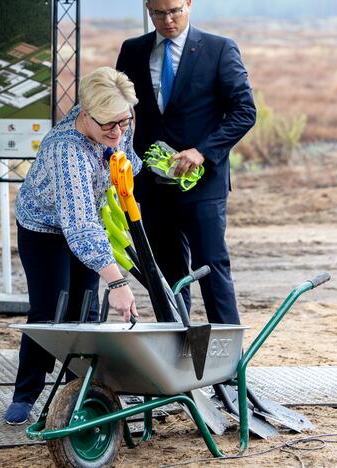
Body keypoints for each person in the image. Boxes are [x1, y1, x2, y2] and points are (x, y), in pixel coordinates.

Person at [4, 67, 141, 425]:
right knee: (49, 311)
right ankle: (26, 393)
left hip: (87, 219)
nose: (118, 131)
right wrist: (118, 282)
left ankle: (76, 392)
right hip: (44, 227)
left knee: (86, 310)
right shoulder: (67, 149)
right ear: (85, 113)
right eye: (109, 125)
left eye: (124, 123)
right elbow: (78, 227)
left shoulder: (117, 119)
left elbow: (125, 158)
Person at [116, 0, 256, 326]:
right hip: (152, 187)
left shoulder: (219, 49)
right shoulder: (133, 51)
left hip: (202, 185)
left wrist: (202, 151)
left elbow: (245, 112)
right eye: (158, 13)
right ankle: (177, 353)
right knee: (166, 276)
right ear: (147, 8)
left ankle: (230, 366)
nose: (168, 20)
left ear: (189, 4)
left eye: (175, 11)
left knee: (212, 268)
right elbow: (118, 108)